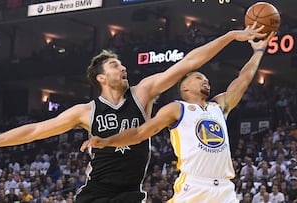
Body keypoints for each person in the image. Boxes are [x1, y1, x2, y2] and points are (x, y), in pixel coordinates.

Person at [0, 23, 266, 203]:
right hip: (97, 193)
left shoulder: (143, 93)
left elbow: (188, 63)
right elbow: (34, 131)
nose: (123, 67)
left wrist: (229, 36)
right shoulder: (86, 112)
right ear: (101, 77)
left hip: (129, 193)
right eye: (115, 65)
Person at [80, 31, 275, 203]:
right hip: (194, 186)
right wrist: (107, 141)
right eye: (199, 78)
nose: (205, 80)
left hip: (225, 189)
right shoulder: (176, 109)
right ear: (185, 87)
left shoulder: (219, 107)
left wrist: (258, 51)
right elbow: (140, 132)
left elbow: (244, 79)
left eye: (206, 79)